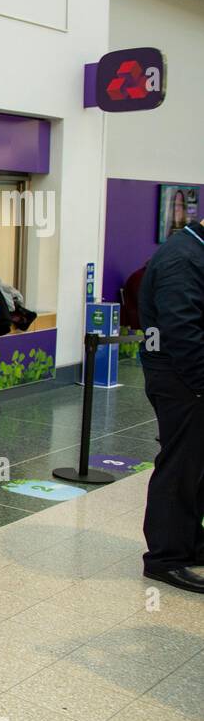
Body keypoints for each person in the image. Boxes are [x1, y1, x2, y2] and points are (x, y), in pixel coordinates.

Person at [138, 217, 204, 594]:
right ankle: (165, 557)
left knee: (195, 467)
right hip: (182, 382)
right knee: (179, 466)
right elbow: (181, 330)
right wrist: (200, 384)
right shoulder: (183, 258)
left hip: (187, 380)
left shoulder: (192, 251)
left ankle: (189, 541)